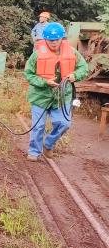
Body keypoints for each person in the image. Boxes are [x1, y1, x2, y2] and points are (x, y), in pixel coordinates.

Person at [24, 23, 88, 162]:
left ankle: (48, 144)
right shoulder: (37, 54)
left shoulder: (72, 52)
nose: (53, 43)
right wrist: (44, 82)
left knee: (64, 124)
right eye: (50, 40)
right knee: (38, 126)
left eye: (56, 39)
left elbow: (83, 68)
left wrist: (75, 75)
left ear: (61, 38)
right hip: (40, 96)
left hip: (62, 96)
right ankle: (34, 151)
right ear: (46, 39)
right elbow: (28, 74)